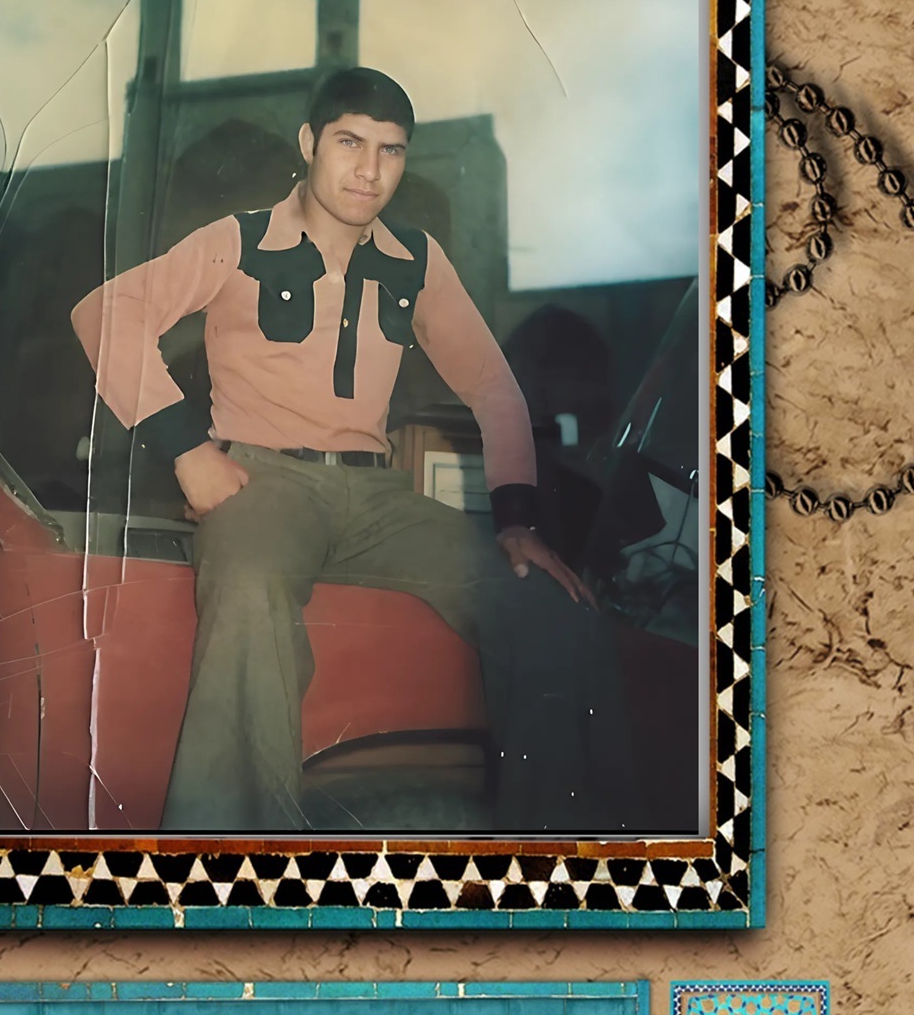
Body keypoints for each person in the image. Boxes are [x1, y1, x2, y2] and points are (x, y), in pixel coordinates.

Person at [72, 68, 629, 833]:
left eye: (391, 150)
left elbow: (494, 386)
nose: (370, 169)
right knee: (249, 589)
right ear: (309, 142)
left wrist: (517, 520)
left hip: (379, 500)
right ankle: (233, 866)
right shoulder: (239, 239)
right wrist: (188, 450)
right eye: (350, 142)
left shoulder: (416, 258)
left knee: (555, 615)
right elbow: (106, 313)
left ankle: (565, 858)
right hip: (264, 484)